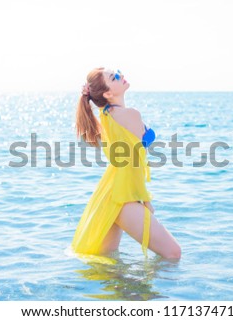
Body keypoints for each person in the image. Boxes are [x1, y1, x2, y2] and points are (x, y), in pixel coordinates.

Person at [71, 67, 181, 262]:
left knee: (108, 263)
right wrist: (145, 200)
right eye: (115, 77)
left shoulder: (106, 114)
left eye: (118, 72)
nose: (121, 76)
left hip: (111, 193)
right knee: (173, 254)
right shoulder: (130, 115)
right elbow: (135, 163)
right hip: (123, 196)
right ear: (107, 93)